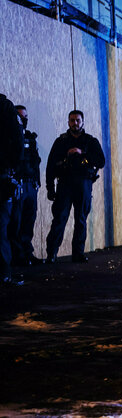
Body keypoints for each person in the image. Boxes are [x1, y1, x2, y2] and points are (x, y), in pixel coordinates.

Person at [45, 110, 105, 263]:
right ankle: (51, 254)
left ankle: (78, 254)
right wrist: (50, 188)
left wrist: (82, 154)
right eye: (72, 120)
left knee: (81, 220)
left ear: (83, 122)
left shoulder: (90, 141)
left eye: (78, 120)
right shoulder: (61, 142)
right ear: (68, 122)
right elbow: (51, 166)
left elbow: (101, 161)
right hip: (65, 184)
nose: (75, 123)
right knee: (59, 219)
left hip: (83, 183)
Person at [9, 105, 42, 266]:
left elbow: (36, 161)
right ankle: (17, 255)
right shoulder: (9, 136)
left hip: (31, 185)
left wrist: (37, 183)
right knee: (16, 221)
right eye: (20, 117)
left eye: (25, 117)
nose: (23, 120)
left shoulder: (30, 137)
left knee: (29, 220)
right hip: (18, 185)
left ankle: (27, 253)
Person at [1, 93, 24, 284]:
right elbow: (17, 142)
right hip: (2, 174)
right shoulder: (5, 107)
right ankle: (4, 273)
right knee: (2, 226)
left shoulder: (5, 107)